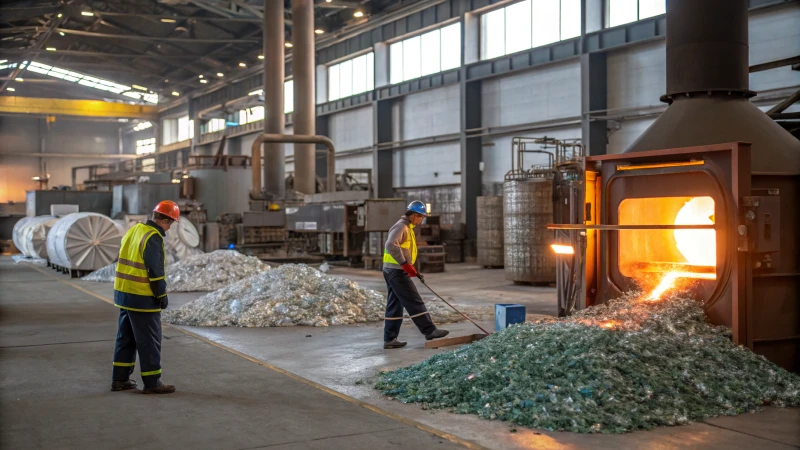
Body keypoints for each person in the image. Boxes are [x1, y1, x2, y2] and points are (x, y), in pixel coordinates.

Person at [110, 200, 179, 394]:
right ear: (165, 219)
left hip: (124, 293)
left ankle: (120, 379)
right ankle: (152, 382)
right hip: (142, 297)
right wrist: (161, 294)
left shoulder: (134, 231)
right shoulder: (153, 237)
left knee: (126, 338)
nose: (170, 226)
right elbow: (155, 271)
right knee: (149, 340)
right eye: (171, 222)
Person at [382, 200, 449, 349]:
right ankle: (429, 330)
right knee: (414, 300)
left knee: (395, 304)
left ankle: (390, 339)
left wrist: (408, 265)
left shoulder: (407, 227)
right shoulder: (401, 227)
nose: (421, 220)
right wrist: (404, 264)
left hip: (393, 270)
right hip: (396, 271)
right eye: (421, 217)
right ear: (413, 215)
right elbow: (390, 245)